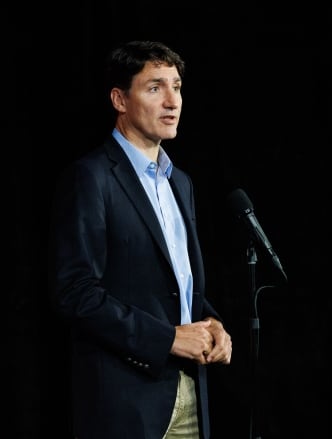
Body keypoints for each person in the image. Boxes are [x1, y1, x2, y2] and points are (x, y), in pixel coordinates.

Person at [48, 40, 232, 439]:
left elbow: (173, 283)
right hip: (127, 402)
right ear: (119, 99)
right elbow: (76, 293)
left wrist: (211, 321)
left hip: (190, 393)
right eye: (155, 88)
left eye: (177, 86)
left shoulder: (179, 183)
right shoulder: (92, 178)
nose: (172, 101)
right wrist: (168, 339)